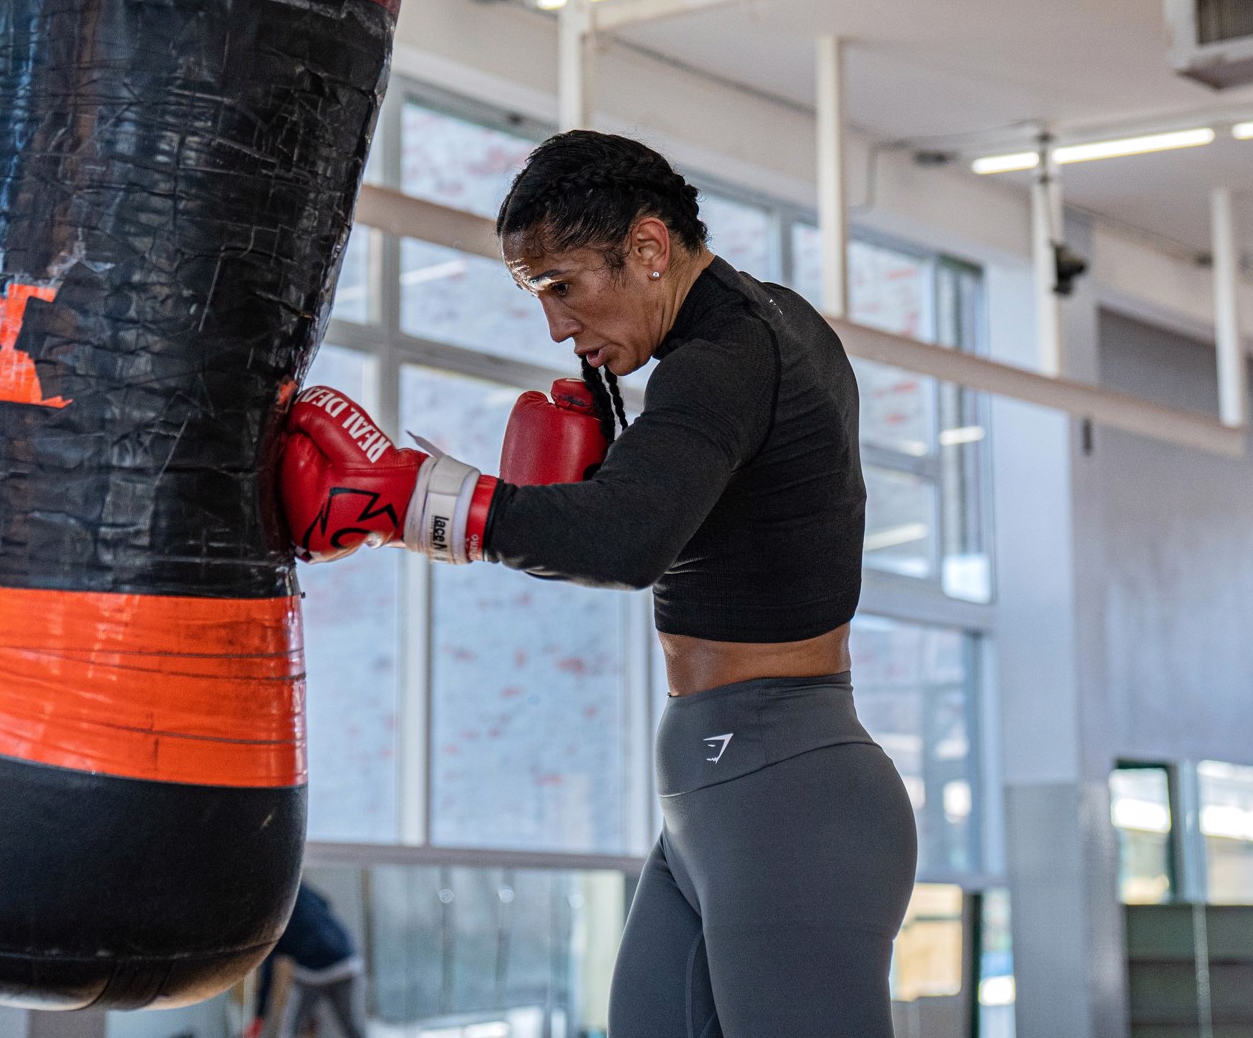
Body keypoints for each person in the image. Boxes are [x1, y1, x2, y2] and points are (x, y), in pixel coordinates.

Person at [281, 130, 918, 1037]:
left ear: (650, 250)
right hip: (717, 799)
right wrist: (610, 470)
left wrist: (421, 497)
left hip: (787, 801)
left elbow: (628, 540)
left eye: (562, 285)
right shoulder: (768, 327)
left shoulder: (725, 359)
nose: (556, 324)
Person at [248, 883, 367, 1038]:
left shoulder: (270, 922)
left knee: (292, 1028)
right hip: (341, 961)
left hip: (326, 969)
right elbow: (325, 902)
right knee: (350, 1027)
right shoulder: (295, 888)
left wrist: (259, 1015)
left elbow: (268, 974)